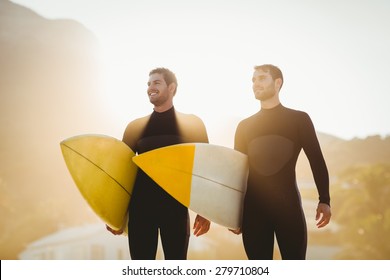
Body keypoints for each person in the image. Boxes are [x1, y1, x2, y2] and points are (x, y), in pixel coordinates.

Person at [106, 67, 211, 259]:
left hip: (175, 207)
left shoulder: (192, 124)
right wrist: (114, 214)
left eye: (156, 83)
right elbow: (122, 173)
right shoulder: (135, 127)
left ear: (171, 87)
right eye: (148, 84)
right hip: (140, 208)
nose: (150, 88)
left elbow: (205, 167)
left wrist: (206, 211)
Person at [232, 64, 331, 260]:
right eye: (253, 80)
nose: (255, 84)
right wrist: (232, 213)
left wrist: (324, 199)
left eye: (261, 78)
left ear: (277, 83)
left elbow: (316, 160)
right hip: (254, 212)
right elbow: (237, 173)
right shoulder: (244, 126)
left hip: (288, 209)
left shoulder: (299, 119)